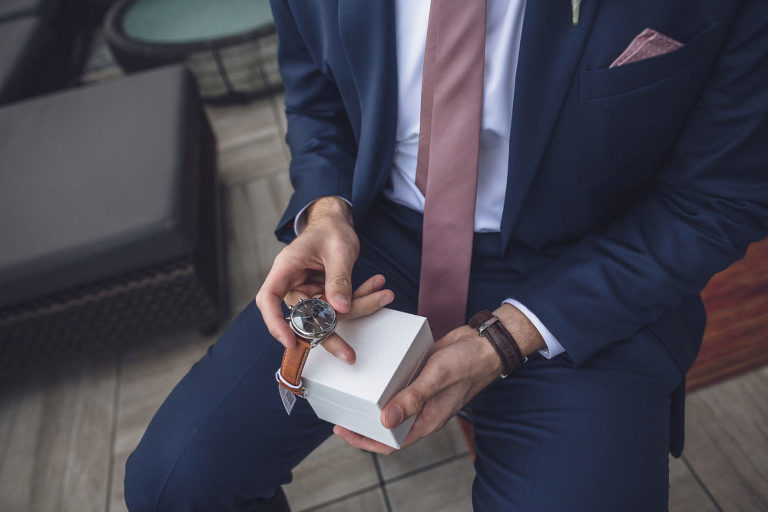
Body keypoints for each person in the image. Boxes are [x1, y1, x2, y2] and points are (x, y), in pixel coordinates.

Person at [124, 0, 768, 510]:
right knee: (173, 485)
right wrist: (324, 208)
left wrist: (512, 335)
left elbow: (717, 200)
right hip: (379, 248)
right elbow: (314, 92)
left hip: (588, 271)